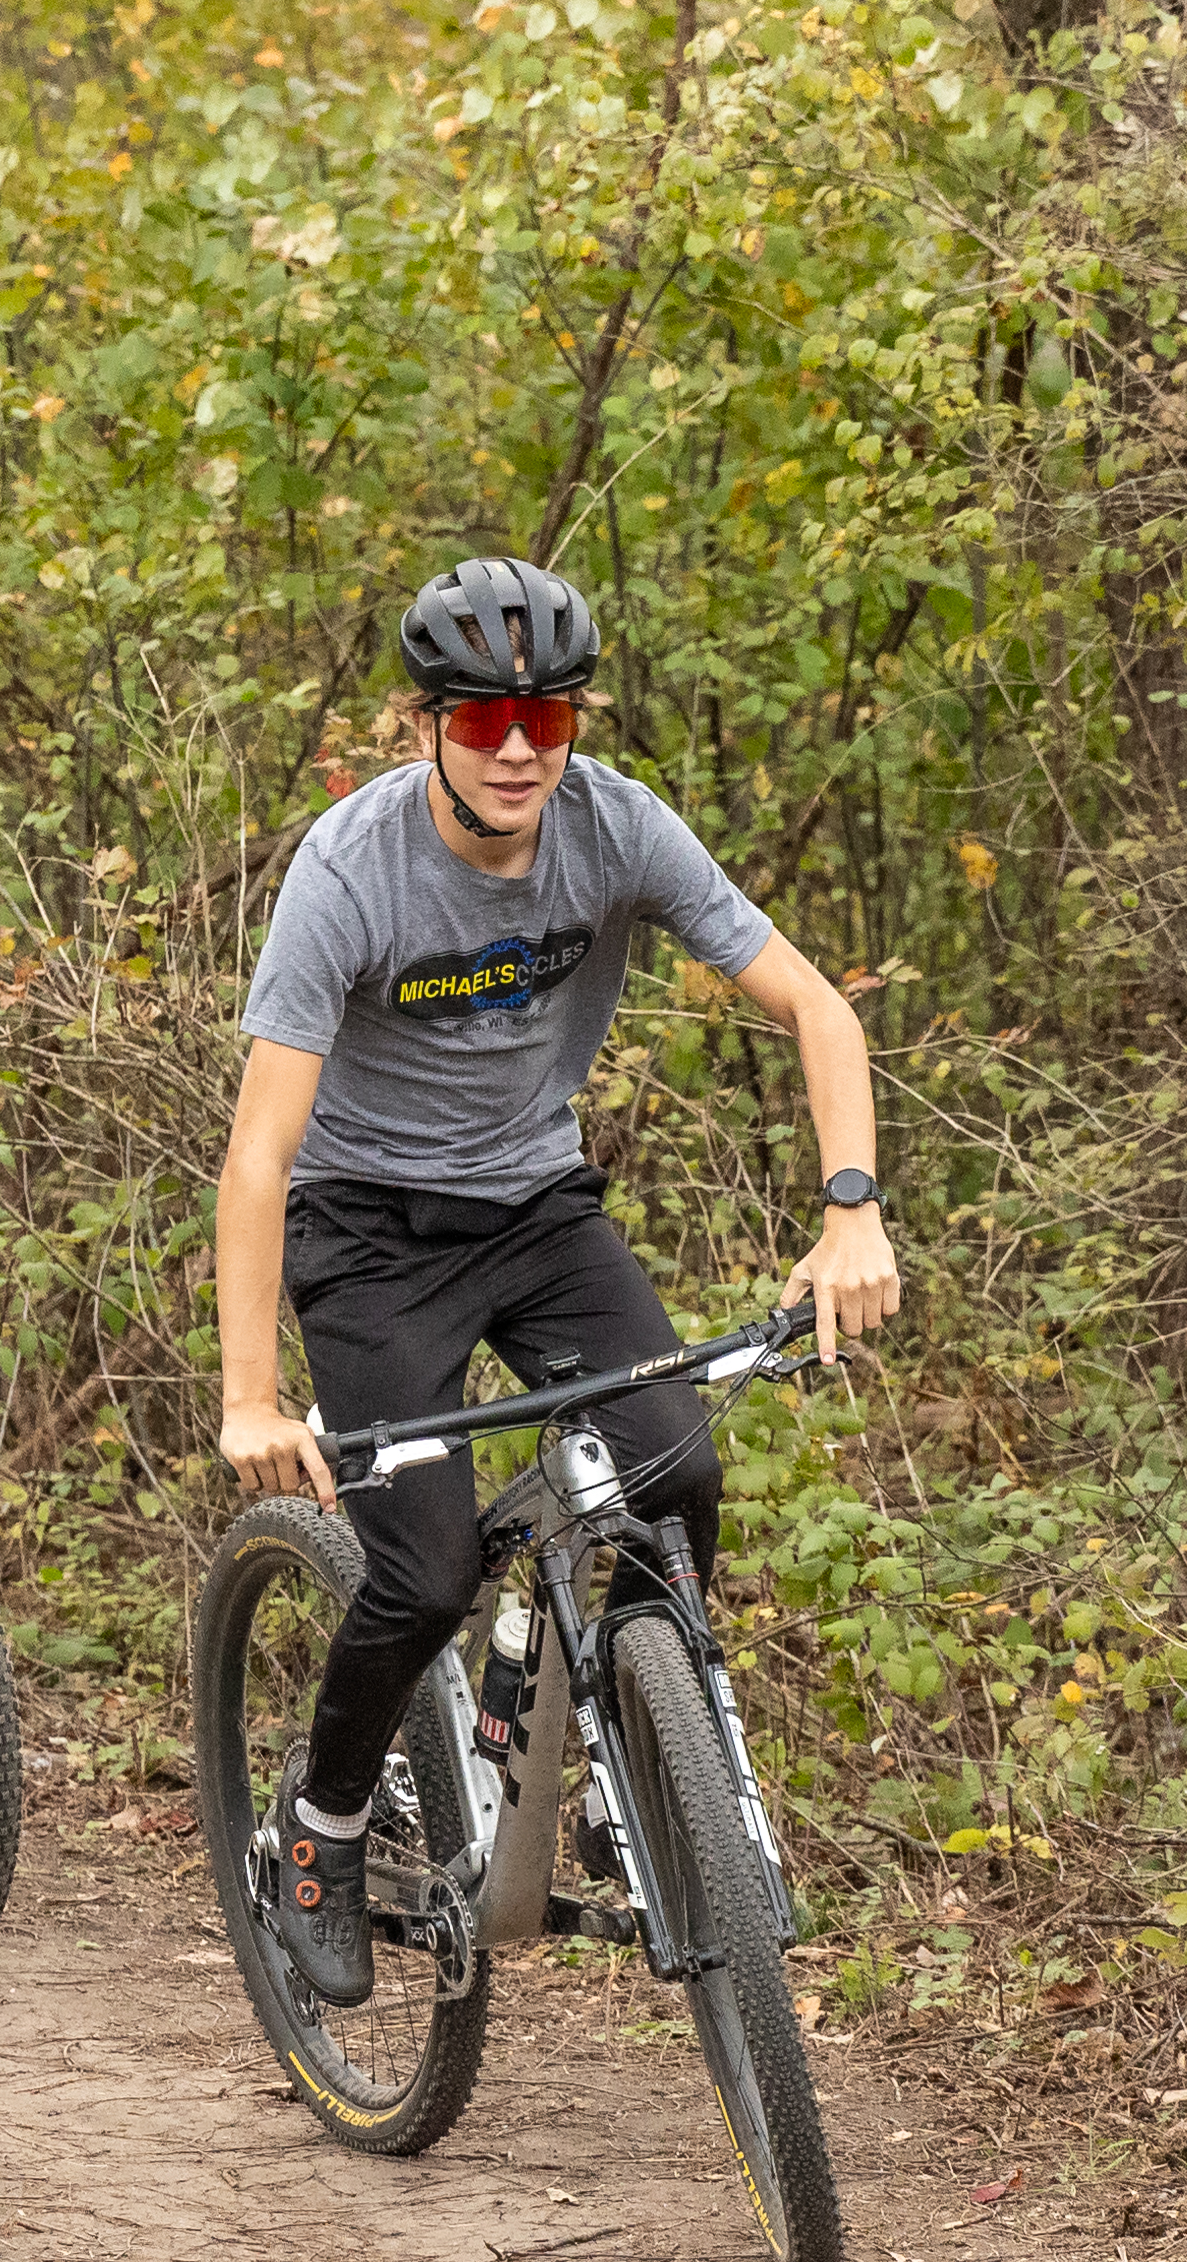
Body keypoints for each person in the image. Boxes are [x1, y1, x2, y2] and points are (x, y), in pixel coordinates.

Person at [212, 555, 900, 2006]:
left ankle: (629, 1769)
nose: (518, 745)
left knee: (678, 1472)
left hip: (534, 1205)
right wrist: (251, 1397)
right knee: (427, 1564)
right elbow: (261, 1158)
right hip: (370, 1232)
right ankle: (323, 1829)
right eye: (481, 720)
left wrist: (852, 1210)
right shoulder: (348, 871)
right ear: (424, 729)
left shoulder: (617, 830)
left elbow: (816, 1007)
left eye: (548, 715)